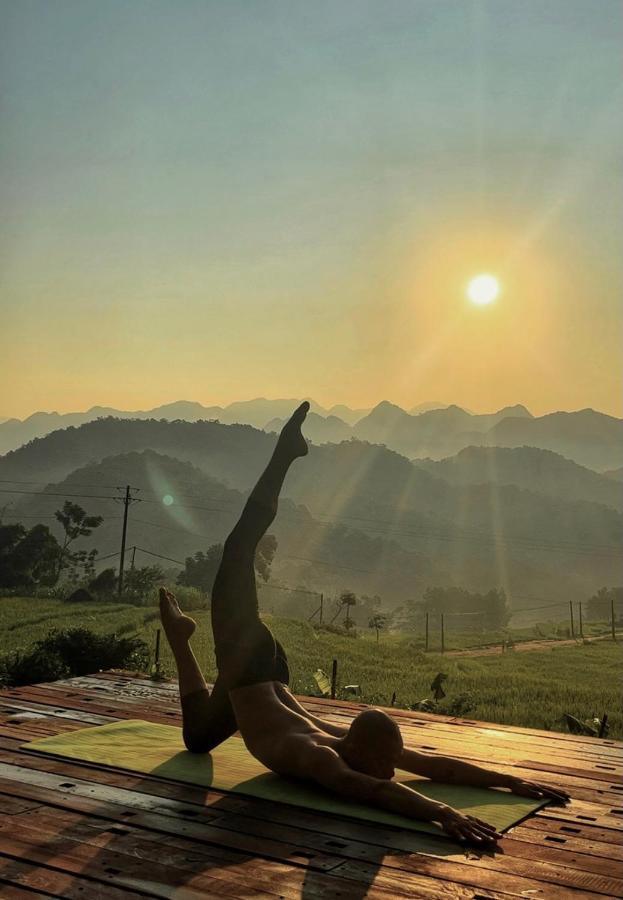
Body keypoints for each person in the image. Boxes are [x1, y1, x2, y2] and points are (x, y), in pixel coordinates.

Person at [160, 402, 569, 845]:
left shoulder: (348, 747)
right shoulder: (316, 754)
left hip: (258, 679)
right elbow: (371, 788)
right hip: (254, 668)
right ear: (359, 749)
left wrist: (507, 780)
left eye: (391, 761)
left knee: (198, 738)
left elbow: (433, 766)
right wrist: (442, 812)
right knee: (239, 549)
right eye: (388, 762)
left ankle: (181, 641)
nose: (394, 770)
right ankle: (285, 452)